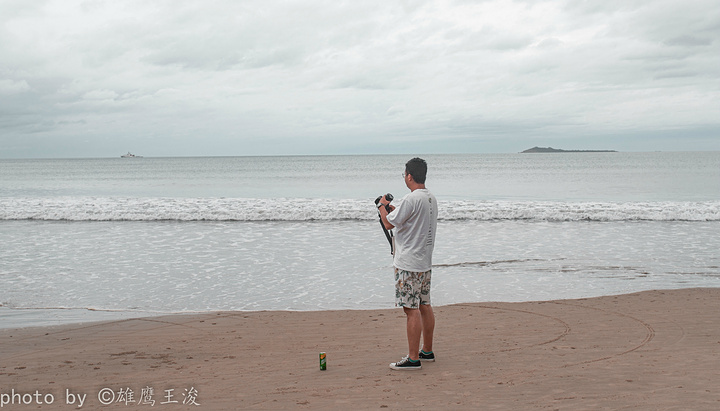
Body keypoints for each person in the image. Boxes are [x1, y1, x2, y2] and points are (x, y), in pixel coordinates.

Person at [377, 157, 438, 370]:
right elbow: (407, 218)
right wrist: (392, 208)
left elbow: (388, 222)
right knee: (424, 305)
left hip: (408, 264)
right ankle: (427, 351)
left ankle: (413, 359)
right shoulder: (430, 198)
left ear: (409, 176)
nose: (405, 177)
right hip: (424, 261)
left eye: (404, 174)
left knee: (410, 310)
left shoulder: (411, 199)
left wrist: (382, 206)